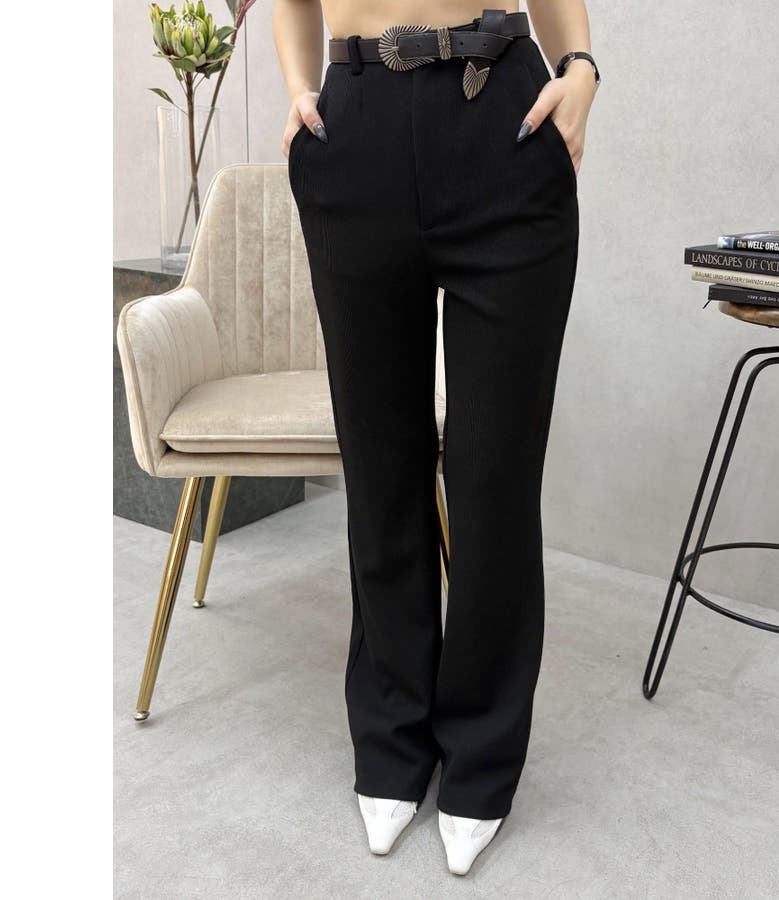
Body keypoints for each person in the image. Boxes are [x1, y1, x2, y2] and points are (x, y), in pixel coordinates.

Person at [273, 0, 598, 875]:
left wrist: (581, 70)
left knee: (494, 477)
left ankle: (483, 752)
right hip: (356, 133)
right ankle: (391, 737)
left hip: (504, 129)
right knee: (381, 469)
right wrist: (302, 91)